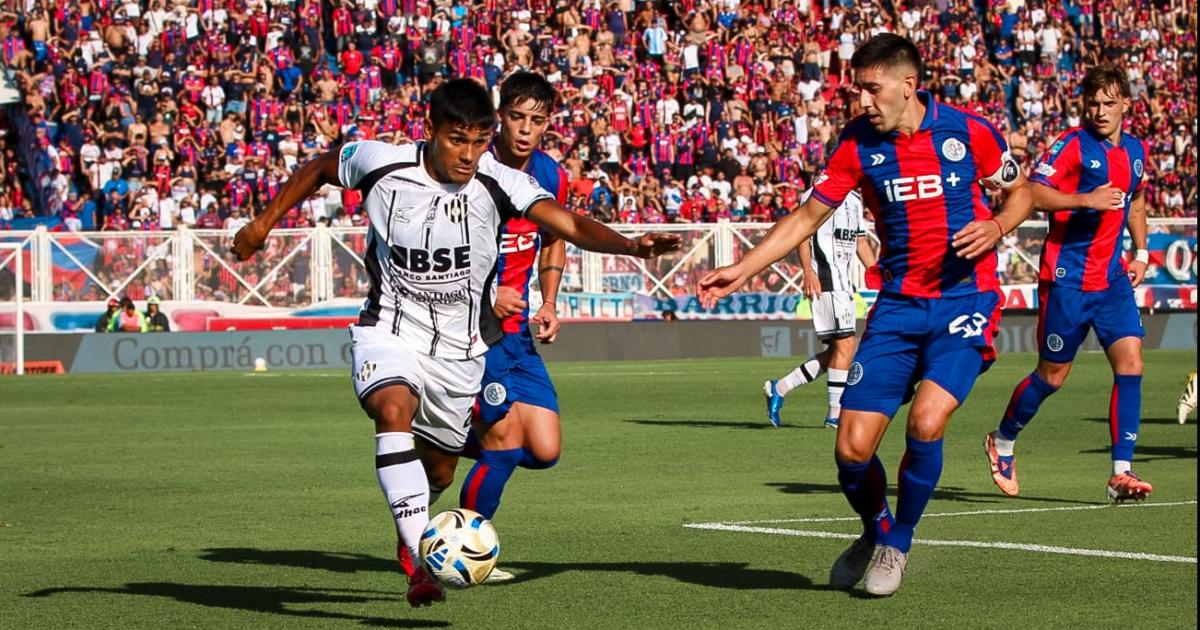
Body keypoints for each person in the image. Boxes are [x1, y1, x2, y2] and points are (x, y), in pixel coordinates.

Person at [231, 79, 679, 607]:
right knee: (393, 408)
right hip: (389, 329)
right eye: (457, 140)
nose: (469, 154)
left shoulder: (500, 180)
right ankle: (418, 565)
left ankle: (424, 516)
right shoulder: (382, 163)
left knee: (441, 468)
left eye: (479, 141)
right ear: (431, 130)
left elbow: (568, 224)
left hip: (460, 351)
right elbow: (320, 167)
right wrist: (261, 224)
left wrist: (632, 246)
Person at [697, 34, 1033, 596]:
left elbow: (1021, 192)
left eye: (873, 89)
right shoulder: (856, 144)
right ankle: (875, 530)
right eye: (859, 90)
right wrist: (742, 267)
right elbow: (806, 217)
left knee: (927, 421)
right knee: (851, 450)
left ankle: (897, 543)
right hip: (897, 309)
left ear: (908, 86)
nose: (863, 101)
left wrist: (998, 225)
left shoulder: (968, 132)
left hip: (965, 303)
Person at [983, 66, 1153, 503]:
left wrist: (1140, 252)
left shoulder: (1136, 150)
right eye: (1093, 103)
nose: (1100, 111)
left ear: (1125, 105)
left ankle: (1120, 473)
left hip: (1111, 278)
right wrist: (1085, 199)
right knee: (1052, 377)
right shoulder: (1072, 145)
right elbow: (1030, 193)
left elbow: (1135, 199)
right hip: (1067, 280)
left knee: (1131, 363)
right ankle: (1003, 439)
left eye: (1109, 103)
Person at [453, 72, 570, 584]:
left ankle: (439, 434)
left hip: (519, 332)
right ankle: (462, 548)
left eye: (536, 120)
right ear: (499, 116)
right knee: (503, 445)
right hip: (474, 328)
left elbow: (554, 239)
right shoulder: (471, 169)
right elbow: (445, 246)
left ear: (547, 124)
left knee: (543, 451)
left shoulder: (551, 175)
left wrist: (550, 301)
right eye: (516, 117)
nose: (525, 129)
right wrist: (487, 293)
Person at [763, 188, 877, 429]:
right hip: (825, 280)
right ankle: (835, 414)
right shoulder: (816, 195)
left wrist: (877, 272)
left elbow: (859, 241)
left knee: (839, 350)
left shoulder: (855, 200)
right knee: (846, 345)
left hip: (845, 284)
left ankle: (779, 388)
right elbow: (802, 235)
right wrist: (808, 271)